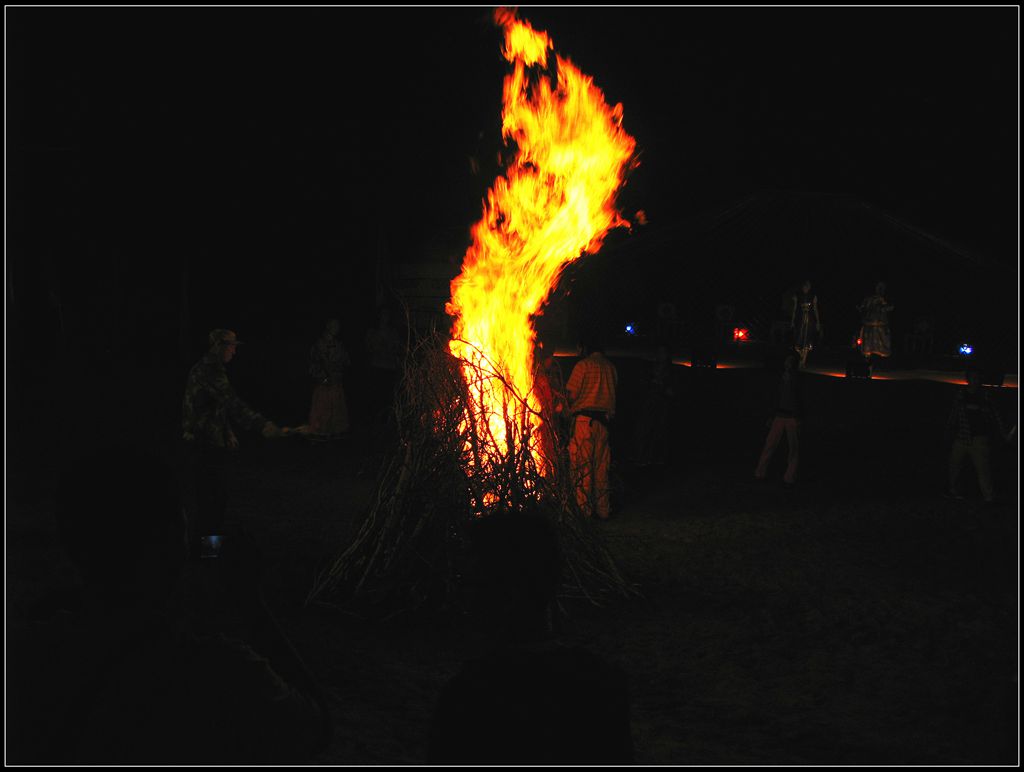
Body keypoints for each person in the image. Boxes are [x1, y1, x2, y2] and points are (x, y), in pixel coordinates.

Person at [6, 446, 332, 764]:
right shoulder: (222, 674)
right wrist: (250, 602)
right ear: (173, 541)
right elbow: (315, 728)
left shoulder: (26, 657)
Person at [427, 509, 633, 764]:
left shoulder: (469, 700)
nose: (462, 599)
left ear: (509, 596)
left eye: (469, 583)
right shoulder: (604, 685)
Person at [181, 329, 294, 554]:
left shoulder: (212, 369)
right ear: (218, 346)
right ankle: (207, 552)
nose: (234, 350)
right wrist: (263, 425)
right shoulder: (209, 371)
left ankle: (206, 548)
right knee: (211, 500)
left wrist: (228, 433)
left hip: (209, 441)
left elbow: (216, 407)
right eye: (230, 346)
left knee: (214, 498)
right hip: (203, 444)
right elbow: (231, 403)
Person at [565, 334, 618, 519]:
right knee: (602, 468)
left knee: (583, 468)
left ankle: (583, 512)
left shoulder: (583, 366)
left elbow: (571, 395)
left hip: (583, 423)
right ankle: (603, 510)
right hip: (604, 425)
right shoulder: (611, 368)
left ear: (584, 347)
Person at [946, 370, 1011, 503]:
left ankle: (988, 496)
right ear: (968, 380)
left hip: (978, 438)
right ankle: (955, 490)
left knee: (983, 469)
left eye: (977, 378)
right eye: (973, 378)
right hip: (962, 436)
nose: (975, 381)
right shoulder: (961, 394)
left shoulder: (984, 395)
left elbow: (994, 415)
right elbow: (955, 413)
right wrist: (950, 428)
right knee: (955, 465)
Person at [755, 354, 802, 485]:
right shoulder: (782, 378)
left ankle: (788, 476)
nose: (787, 364)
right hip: (782, 415)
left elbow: (798, 398)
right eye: (787, 361)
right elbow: (776, 398)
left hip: (790, 416)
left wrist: (798, 416)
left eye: (789, 362)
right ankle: (762, 472)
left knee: (791, 448)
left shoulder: (794, 379)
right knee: (771, 444)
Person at [308, 318, 352, 441]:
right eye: (334, 324)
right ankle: (320, 430)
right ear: (328, 325)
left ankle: (335, 430)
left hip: (336, 381)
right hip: (324, 381)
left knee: (336, 407)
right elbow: (314, 362)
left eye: (338, 325)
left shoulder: (339, 344)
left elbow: (346, 361)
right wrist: (323, 375)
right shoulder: (319, 344)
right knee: (323, 406)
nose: (336, 327)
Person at [631, 344, 675, 466]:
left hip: (661, 406)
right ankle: (644, 457)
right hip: (650, 404)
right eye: (659, 352)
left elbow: (671, 391)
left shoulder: (669, 371)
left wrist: (662, 386)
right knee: (646, 430)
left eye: (663, 353)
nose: (660, 355)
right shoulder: (652, 369)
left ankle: (657, 458)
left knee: (659, 431)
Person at [532, 341, 567, 477]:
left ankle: (549, 483)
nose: (552, 362)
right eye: (549, 358)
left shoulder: (547, 378)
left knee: (549, 455)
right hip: (541, 423)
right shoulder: (537, 378)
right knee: (544, 454)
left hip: (549, 423)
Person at [364, 306, 403, 427]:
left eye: (387, 315)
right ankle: (374, 419)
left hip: (390, 367)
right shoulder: (373, 332)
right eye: (383, 315)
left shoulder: (392, 332)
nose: (385, 317)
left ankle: (387, 421)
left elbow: (397, 347)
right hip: (377, 366)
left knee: (388, 396)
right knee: (376, 394)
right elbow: (368, 347)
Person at [857, 281, 895, 369]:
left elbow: (888, 307)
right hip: (869, 323)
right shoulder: (869, 299)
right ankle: (866, 361)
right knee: (868, 344)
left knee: (882, 342)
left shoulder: (883, 299)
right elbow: (863, 307)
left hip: (881, 324)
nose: (879, 289)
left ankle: (882, 363)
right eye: (878, 287)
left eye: (881, 288)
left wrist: (885, 308)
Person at [791, 279, 821, 369]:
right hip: (800, 319)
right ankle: (801, 357)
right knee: (798, 341)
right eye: (804, 286)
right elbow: (795, 309)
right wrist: (792, 321)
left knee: (806, 341)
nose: (806, 288)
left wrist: (818, 322)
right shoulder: (798, 295)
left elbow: (815, 309)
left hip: (810, 320)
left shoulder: (813, 296)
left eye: (807, 286)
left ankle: (803, 362)